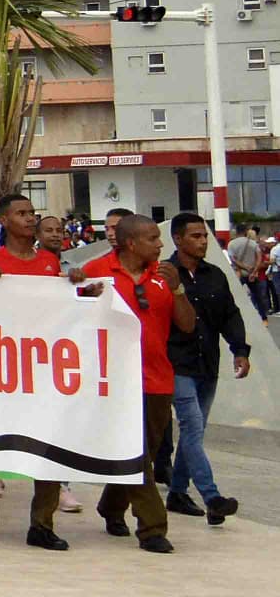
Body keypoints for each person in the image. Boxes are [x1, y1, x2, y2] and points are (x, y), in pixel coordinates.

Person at [85, 213, 194, 553]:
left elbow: (187, 325)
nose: (161, 244)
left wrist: (177, 289)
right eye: (152, 238)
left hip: (156, 379)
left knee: (140, 450)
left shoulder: (165, 277)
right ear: (131, 243)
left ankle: (111, 506)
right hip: (113, 381)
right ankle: (153, 528)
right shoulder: (96, 271)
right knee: (138, 454)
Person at [0, 193, 69, 548]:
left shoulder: (49, 262)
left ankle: (42, 523)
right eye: (22, 214)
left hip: (42, 365)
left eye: (32, 213)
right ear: (4, 221)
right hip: (0, 365)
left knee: (50, 441)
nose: (29, 219)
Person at [163, 212, 250, 526]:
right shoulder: (164, 274)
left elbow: (230, 314)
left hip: (207, 363)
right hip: (177, 364)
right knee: (192, 427)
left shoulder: (215, 275)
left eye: (205, 236)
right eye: (196, 236)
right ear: (178, 239)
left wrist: (239, 349)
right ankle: (212, 497)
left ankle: (176, 491)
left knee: (193, 432)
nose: (202, 242)